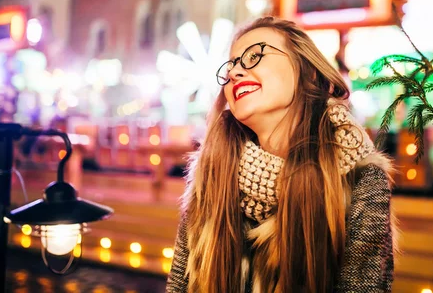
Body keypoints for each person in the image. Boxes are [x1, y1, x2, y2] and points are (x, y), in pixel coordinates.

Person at [166, 17, 396, 293]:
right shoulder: (212, 172)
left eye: (254, 56)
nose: (235, 72)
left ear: (308, 72)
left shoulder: (357, 173)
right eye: (231, 66)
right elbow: (180, 284)